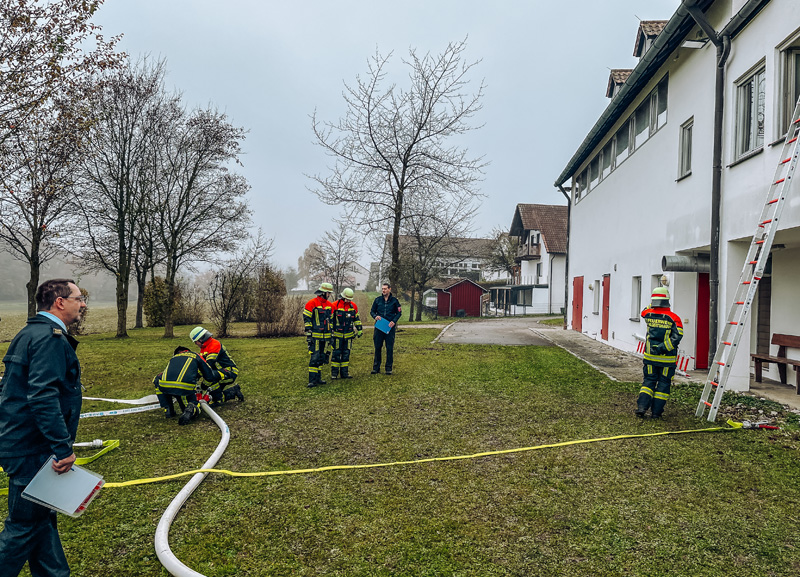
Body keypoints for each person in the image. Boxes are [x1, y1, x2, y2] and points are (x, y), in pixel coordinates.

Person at [0, 278, 87, 576]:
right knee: (23, 527)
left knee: (41, 520)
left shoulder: (30, 333)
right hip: (32, 449)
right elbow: (42, 396)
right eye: (79, 298)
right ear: (60, 302)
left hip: (23, 445)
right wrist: (62, 449)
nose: (83, 303)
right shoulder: (49, 338)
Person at [636, 287, 684, 419]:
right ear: (667, 300)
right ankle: (656, 413)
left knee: (648, 381)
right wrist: (664, 347)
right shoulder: (674, 318)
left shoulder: (648, 315)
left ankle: (642, 407)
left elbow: (643, 311)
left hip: (650, 357)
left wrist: (653, 304)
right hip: (667, 360)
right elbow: (678, 336)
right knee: (663, 384)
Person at [153, 346, 222, 425]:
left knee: (156, 380)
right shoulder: (196, 356)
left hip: (165, 386)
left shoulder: (173, 358)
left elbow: (160, 377)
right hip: (184, 388)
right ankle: (192, 408)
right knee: (191, 404)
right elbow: (209, 376)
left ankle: (168, 409)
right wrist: (204, 386)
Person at [189, 326, 243, 404]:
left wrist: (198, 378)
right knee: (215, 399)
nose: (195, 344)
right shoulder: (204, 348)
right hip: (219, 372)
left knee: (209, 378)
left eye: (196, 341)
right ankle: (233, 391)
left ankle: (219, 396)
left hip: (229, 371)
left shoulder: (214, 344)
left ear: (202, 338)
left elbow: (208, 365)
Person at [303, 282, 333, 387]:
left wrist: (331, 333)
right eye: (328, 293)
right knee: (314, 357)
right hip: (315, 336)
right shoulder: (312, 303)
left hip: (325, 337)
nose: (329, 295)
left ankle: (318, 378)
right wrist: (309, 331)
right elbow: (307, 319)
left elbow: (332, 320)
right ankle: (312, 380)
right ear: (323, 293)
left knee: (321, 357)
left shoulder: (329, 305)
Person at [329, 288, 363, 379]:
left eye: (349, 299)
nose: (348, 300)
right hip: (337, 335)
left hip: (348, 335)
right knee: (336, 354)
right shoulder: (334, 305)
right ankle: (334, 374)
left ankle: (344, 373)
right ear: (342, 297)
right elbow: (330, 320)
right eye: (347, 299)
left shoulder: (353, 306)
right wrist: (330, 331)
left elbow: (356, 319)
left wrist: (359, 329)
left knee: (346, 354)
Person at [370, 282, 402, 375]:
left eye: (385, 289)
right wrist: (375, 316)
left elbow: (399, 313)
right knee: (377, 347)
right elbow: (372, 311)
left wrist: (394, 321)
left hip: (389, 328)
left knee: (389, 348)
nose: (383, 290)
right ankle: (376, 368)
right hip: (379, 327)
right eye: (382, 289)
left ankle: (388, 368)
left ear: (389, 289)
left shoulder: (395, 301)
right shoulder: (377, 300)